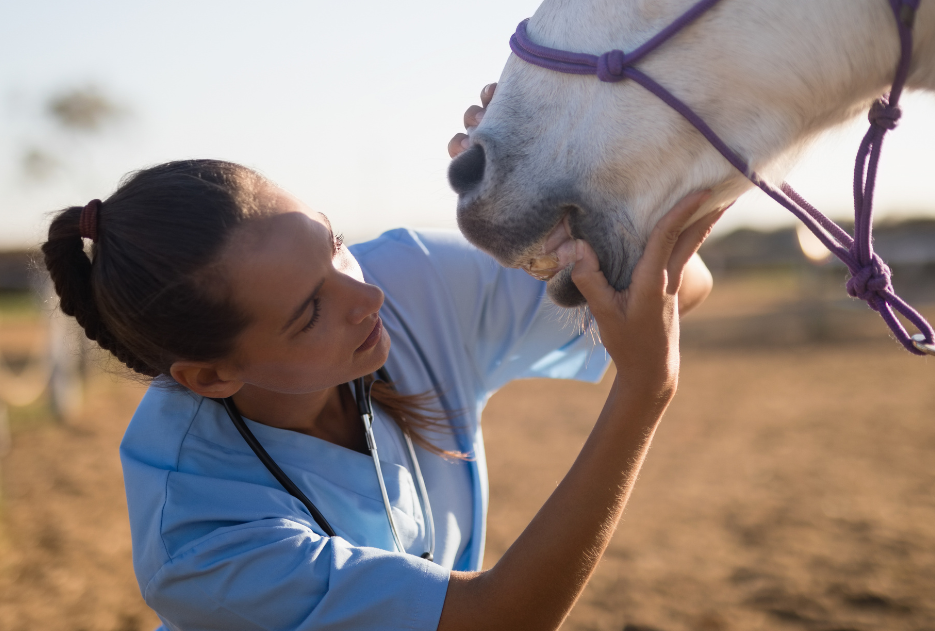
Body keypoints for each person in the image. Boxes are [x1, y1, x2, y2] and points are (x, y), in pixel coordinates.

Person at [41, 85, 726, 631]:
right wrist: (643, 391)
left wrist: (577, 215)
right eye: (309, 310)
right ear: (212, 376)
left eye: (334, 242)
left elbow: (684, 287)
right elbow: (500, 619)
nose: (368, 293)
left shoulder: (408, 277)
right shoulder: (198, 539)